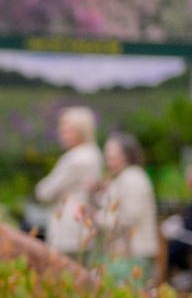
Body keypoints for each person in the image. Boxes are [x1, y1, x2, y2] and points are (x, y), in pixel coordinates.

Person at [89, 131, 159, 285]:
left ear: (126, 156)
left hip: (134, 253)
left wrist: (96, 217)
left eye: (112, 155)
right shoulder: (123, 177)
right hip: (124, 253)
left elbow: (129, 217)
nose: (107, 159)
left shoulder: (133, 178)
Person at [36, 106, 103, 257]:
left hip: (68, 228)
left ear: (82, 131)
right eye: (61, 130)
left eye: (68, 130)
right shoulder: (95, 154)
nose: (62, 134)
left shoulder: (75, 158)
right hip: (85, 226)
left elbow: (44, 192)